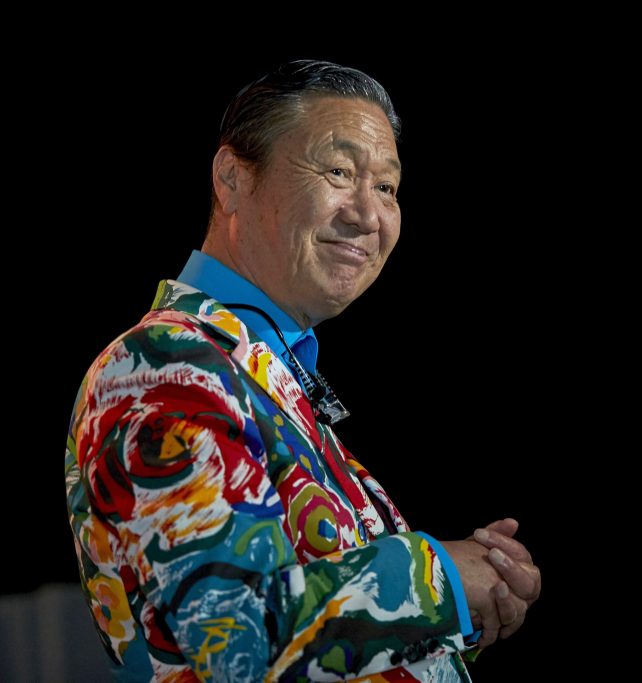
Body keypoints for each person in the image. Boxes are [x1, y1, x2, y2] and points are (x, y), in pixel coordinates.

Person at [64, 59, 540, 682]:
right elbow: (231, 640)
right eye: (339, 172)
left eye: (389, 188)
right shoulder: (163, 366)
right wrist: (440, 581)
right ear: (232, 178)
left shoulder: (256, 371)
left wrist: (474, 602)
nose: (368, 215)